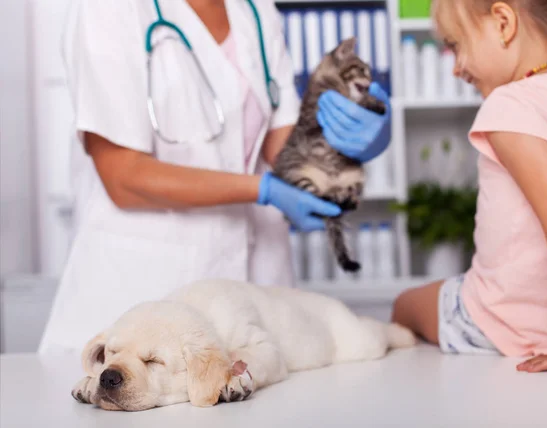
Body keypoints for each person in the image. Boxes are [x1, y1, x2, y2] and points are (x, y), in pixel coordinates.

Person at [38, 0, 391, 355]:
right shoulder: (109, 9)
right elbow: (123, 177)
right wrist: (262, 189)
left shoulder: (255, 9)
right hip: (142, 290)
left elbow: (281, 148)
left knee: (263, 393)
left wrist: (353, 140)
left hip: (254, 288)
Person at [392, 0, 547, 373]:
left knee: (404, 305)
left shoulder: (512, 105)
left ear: (503, 22)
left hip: (502, 322)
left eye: (455, 45)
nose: (456, 68)